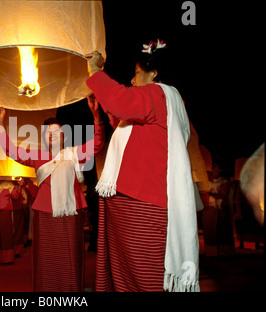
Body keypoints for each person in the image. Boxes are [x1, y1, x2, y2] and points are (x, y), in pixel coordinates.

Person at [86, 39, 200, 292]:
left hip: (140, 200)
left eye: (137, 74)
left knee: (141, 275)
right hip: (142, 199)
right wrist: (100, 113)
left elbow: (120, 100)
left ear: (154, 73)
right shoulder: (170, 103)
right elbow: (128, 131)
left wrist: (95, 71)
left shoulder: (159, 93)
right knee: (134, 272)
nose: (133, 79)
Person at [0, 98, 105, 292]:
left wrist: (96, 117)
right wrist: (0, 125)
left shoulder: (74, 152)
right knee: (48, 256)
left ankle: (71, 291)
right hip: (45, 214)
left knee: (70, 254)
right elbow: (11, 150)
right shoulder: (37, 155)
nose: (52, 134)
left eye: (56, 131)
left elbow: (97, 145)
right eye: (48, 132)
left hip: (70, 213)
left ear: (64, 136)